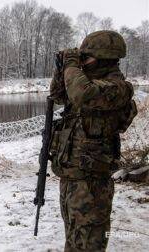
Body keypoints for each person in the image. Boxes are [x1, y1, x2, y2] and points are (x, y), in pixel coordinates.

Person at [49, 30, 137, 251]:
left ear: (104, 58)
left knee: (89, 243)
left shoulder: (117, 88)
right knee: (73, 237)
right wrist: (62, 69)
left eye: (85, 57)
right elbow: (58, 95)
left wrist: (71, 65)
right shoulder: (87, 81)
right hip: (71, 177)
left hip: (92, 183)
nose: (81, 62)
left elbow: (81, 94)